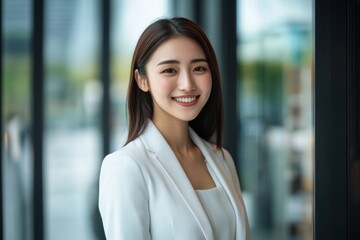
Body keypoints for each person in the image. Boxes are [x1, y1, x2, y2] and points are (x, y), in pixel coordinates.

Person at [99, 17, 250, 240]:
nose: (187, 83)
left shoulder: (222, 159)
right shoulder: (126, 167)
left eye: (199, 68)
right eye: (170, 70)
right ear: (142, 80)